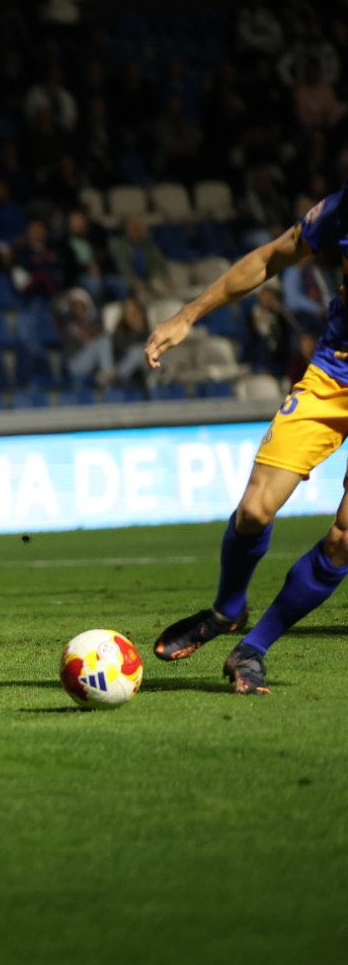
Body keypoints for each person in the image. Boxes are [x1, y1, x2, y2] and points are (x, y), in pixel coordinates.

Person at [145, 182, 348, 694]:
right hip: (333, 378)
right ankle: (227, 609)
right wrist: (187, 315)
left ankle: (253, 648)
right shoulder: (342, 208)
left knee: (344, 540)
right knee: (255, 510)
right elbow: (270, 257)